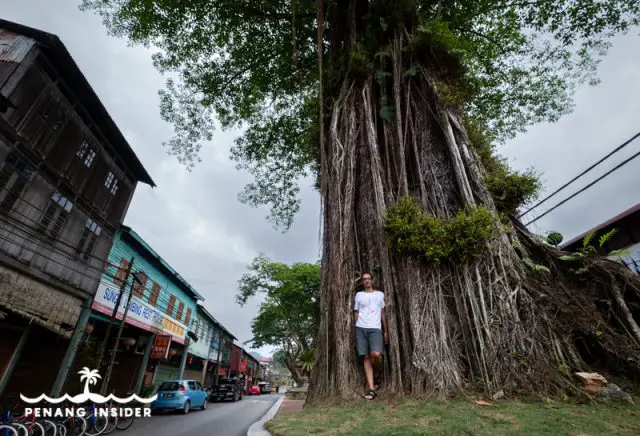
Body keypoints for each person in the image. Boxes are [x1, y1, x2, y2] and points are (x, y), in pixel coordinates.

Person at [353, 272, 388, 400]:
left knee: (376, 354)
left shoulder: (379, 294)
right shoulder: (359, 295)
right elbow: (356, 311)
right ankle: (372, 389)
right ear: (362, 282)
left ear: (372, 280)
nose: (367, 281)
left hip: (375, 328)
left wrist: (385, 331)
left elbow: (383, 313)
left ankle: (376, 373)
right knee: (366, 357)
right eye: (364, 279)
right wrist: (357, 325)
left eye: (369, 279)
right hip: (361, 328)